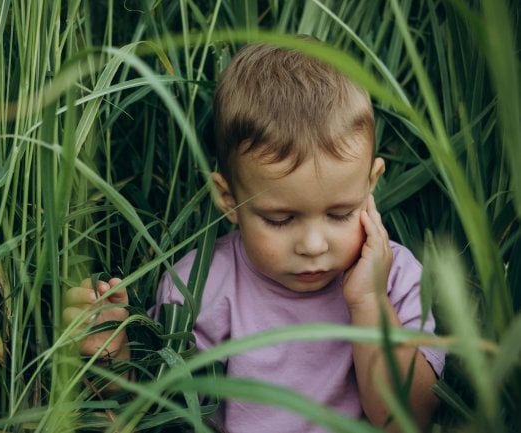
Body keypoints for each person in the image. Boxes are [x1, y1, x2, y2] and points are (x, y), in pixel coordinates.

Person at [63, 41, 444, 433]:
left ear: (371, 183)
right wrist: (112, 362)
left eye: (340, 213)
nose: (313, 245)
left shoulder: (396, 277)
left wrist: (369, 302)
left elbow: (411, 417)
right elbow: (162, 414)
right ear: (229, 199)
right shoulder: (198, 287)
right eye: (280, 219)